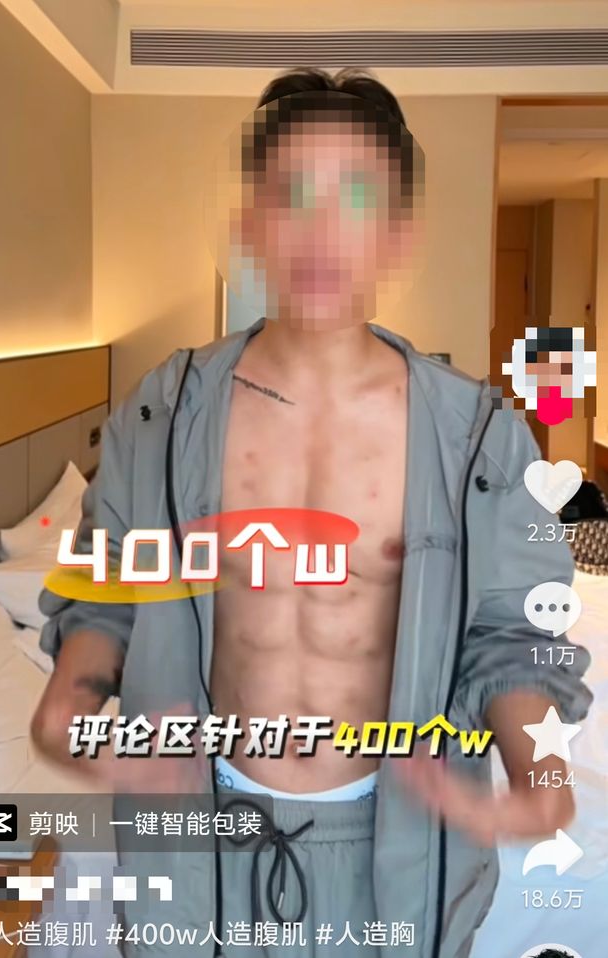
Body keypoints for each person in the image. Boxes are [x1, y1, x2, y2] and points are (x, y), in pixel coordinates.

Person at [31, 68, 593, 958]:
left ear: (397, 231)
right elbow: (107, 588)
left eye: (357, 198)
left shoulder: (477, 437)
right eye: (292, 194)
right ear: (252, 220)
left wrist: (540, 770)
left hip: (393, 847)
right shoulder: (164, 414)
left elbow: (513, 629)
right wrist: (71, 696)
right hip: (201, 838)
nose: (323, 230)